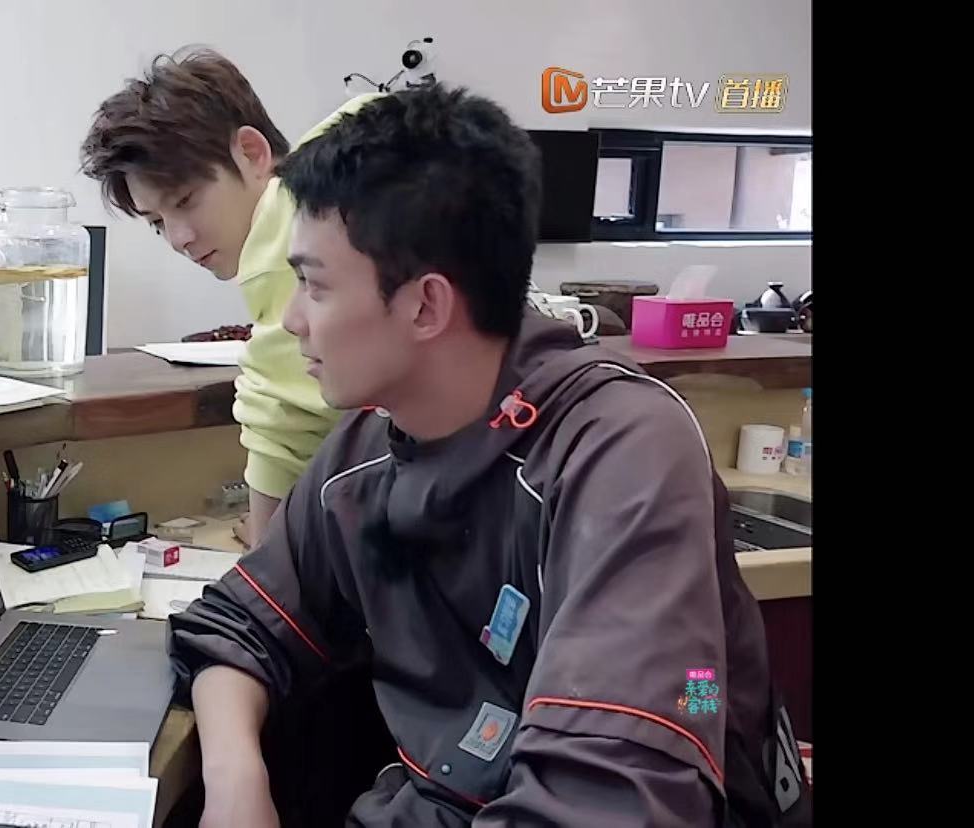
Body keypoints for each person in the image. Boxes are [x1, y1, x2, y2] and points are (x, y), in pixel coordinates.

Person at [169, 86, 809, 826]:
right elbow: (237, 625)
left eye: (313, 285)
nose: (291, 319)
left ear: (426, 305)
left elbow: (604, 801)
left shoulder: (619, 450)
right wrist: (236, 784)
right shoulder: (369, 446)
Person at [80, 48, 381, 546]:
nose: (179, 238)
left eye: (186, 200)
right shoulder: (357, 166)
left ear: (252, 153)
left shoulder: (282, 235)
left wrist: (264, 543)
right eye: (157, 223)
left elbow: (281, 419)